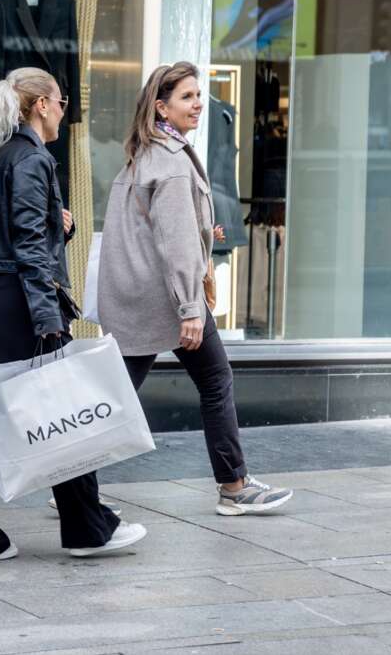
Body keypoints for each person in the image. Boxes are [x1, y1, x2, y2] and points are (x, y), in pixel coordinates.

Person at [0, 67, 148, 564]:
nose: (64, 108)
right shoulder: (34, 160)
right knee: (62, 410)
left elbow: (10, 233)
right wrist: (47, 317)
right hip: (21, 303)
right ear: (39, 105)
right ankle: (88, 530)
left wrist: (61, 228)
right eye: (60, 100)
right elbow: (29, 245)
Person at [99, 61, 293, 516]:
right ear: (161, 106)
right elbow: (176, 241)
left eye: (199, 95)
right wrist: (190, 307)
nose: (199, 104)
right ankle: (233, 487)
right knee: (214, 380)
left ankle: (70, 483)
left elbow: (162, 229)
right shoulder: (170, 163)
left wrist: (207, 230)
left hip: (137, 297)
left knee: (116, 396)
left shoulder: (146, 153)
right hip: (167, 299)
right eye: (187, 97)